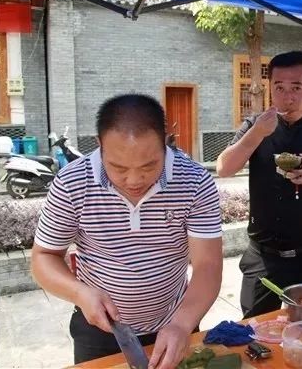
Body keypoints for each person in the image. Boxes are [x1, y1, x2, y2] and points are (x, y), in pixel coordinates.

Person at [31, 94, 223, 368]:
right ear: (99, 145)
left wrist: (182, 324)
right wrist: (79, 293)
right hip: (98, 328)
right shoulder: (71, 182)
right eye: (118, 168)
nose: (134, 181)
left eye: (149, 166)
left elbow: (208, 266)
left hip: (176, 322)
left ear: (166, 141)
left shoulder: (194, 181)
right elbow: (44, 257)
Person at [216, 50, 302, 318]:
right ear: (270, 89)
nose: (288, 96)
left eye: (296, 87)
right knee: (254, 333)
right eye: (279, 88)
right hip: (262, 257)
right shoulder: (255, 126)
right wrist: (257, 133)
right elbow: (224, 168)